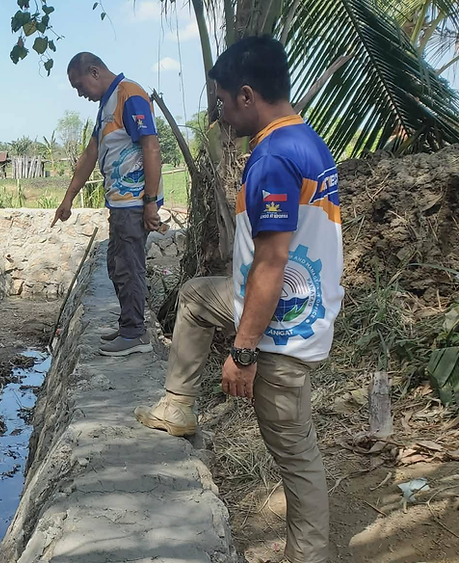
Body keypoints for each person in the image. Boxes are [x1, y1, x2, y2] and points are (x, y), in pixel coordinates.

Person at [134, 36, 344, 563]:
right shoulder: (307, 143)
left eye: (223, 102)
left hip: (280, 326)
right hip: (289, 302)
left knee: (297, 459)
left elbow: (272, 262)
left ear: (247, 95)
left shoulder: (273, 157)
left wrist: (245, 350)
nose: (221, 115)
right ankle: (179, 404)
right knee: (196, 297)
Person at [52, 52, 163, 357]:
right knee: (117, 265)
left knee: (129, 266)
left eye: (79, 85)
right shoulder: (107, 104)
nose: (79, 93)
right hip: (120, 203)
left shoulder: (130, 95)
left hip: (134, 202)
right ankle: (129, 325)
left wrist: (150, 202)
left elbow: (151, 147)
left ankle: (134, 333)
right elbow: (91, 153)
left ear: (94, 71)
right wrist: (68, 198)